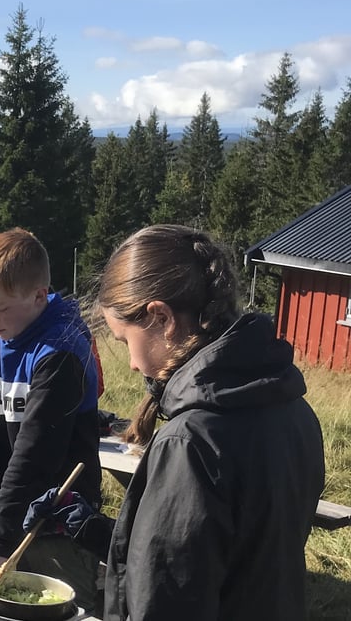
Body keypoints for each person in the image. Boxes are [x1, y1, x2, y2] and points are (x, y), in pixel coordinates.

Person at [24, 224, 326, 621]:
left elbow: (166, 596)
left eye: (124, 340)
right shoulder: (294, 409)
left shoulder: (190, 441)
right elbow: (217, 555)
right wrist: (94, 529)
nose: (131, 364)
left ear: (161, 317)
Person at [0, 228, 102, 613]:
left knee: (58, 609)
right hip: (3, 508)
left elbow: (36, 453)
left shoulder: (62, 350)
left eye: (1, 308)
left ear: (39, 296)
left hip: (57, 518)